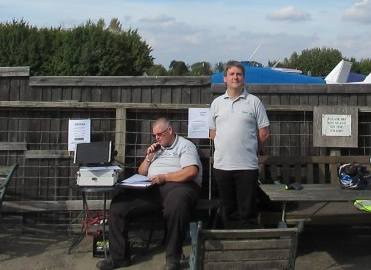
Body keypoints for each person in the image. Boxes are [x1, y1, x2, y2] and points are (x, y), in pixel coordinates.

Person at [97, 118, 202, 270]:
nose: (157, 138)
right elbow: (142, 172)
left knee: (176, 206)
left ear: (170, 130)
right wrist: (149, 157)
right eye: (154, 135)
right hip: (154, 187)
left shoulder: (185, 146)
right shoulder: (158, 149)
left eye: (160, 134)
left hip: (180, 185)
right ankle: (119, 257)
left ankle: (173, 258)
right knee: (118, 206)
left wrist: (165, 177)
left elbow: (191, 171)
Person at [207, 61, 270, 229]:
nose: (235, 77)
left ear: (243, 78)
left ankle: (248, 245)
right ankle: (232, 243)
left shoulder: (254, 102)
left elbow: (264, 133)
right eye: (232, 74)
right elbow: (213, 134)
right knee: (229, 210)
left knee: (248, 211)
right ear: (225, 78)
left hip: (247, 166)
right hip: (222, 166)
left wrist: (248, 149)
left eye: (239, 74)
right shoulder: (217, 103)